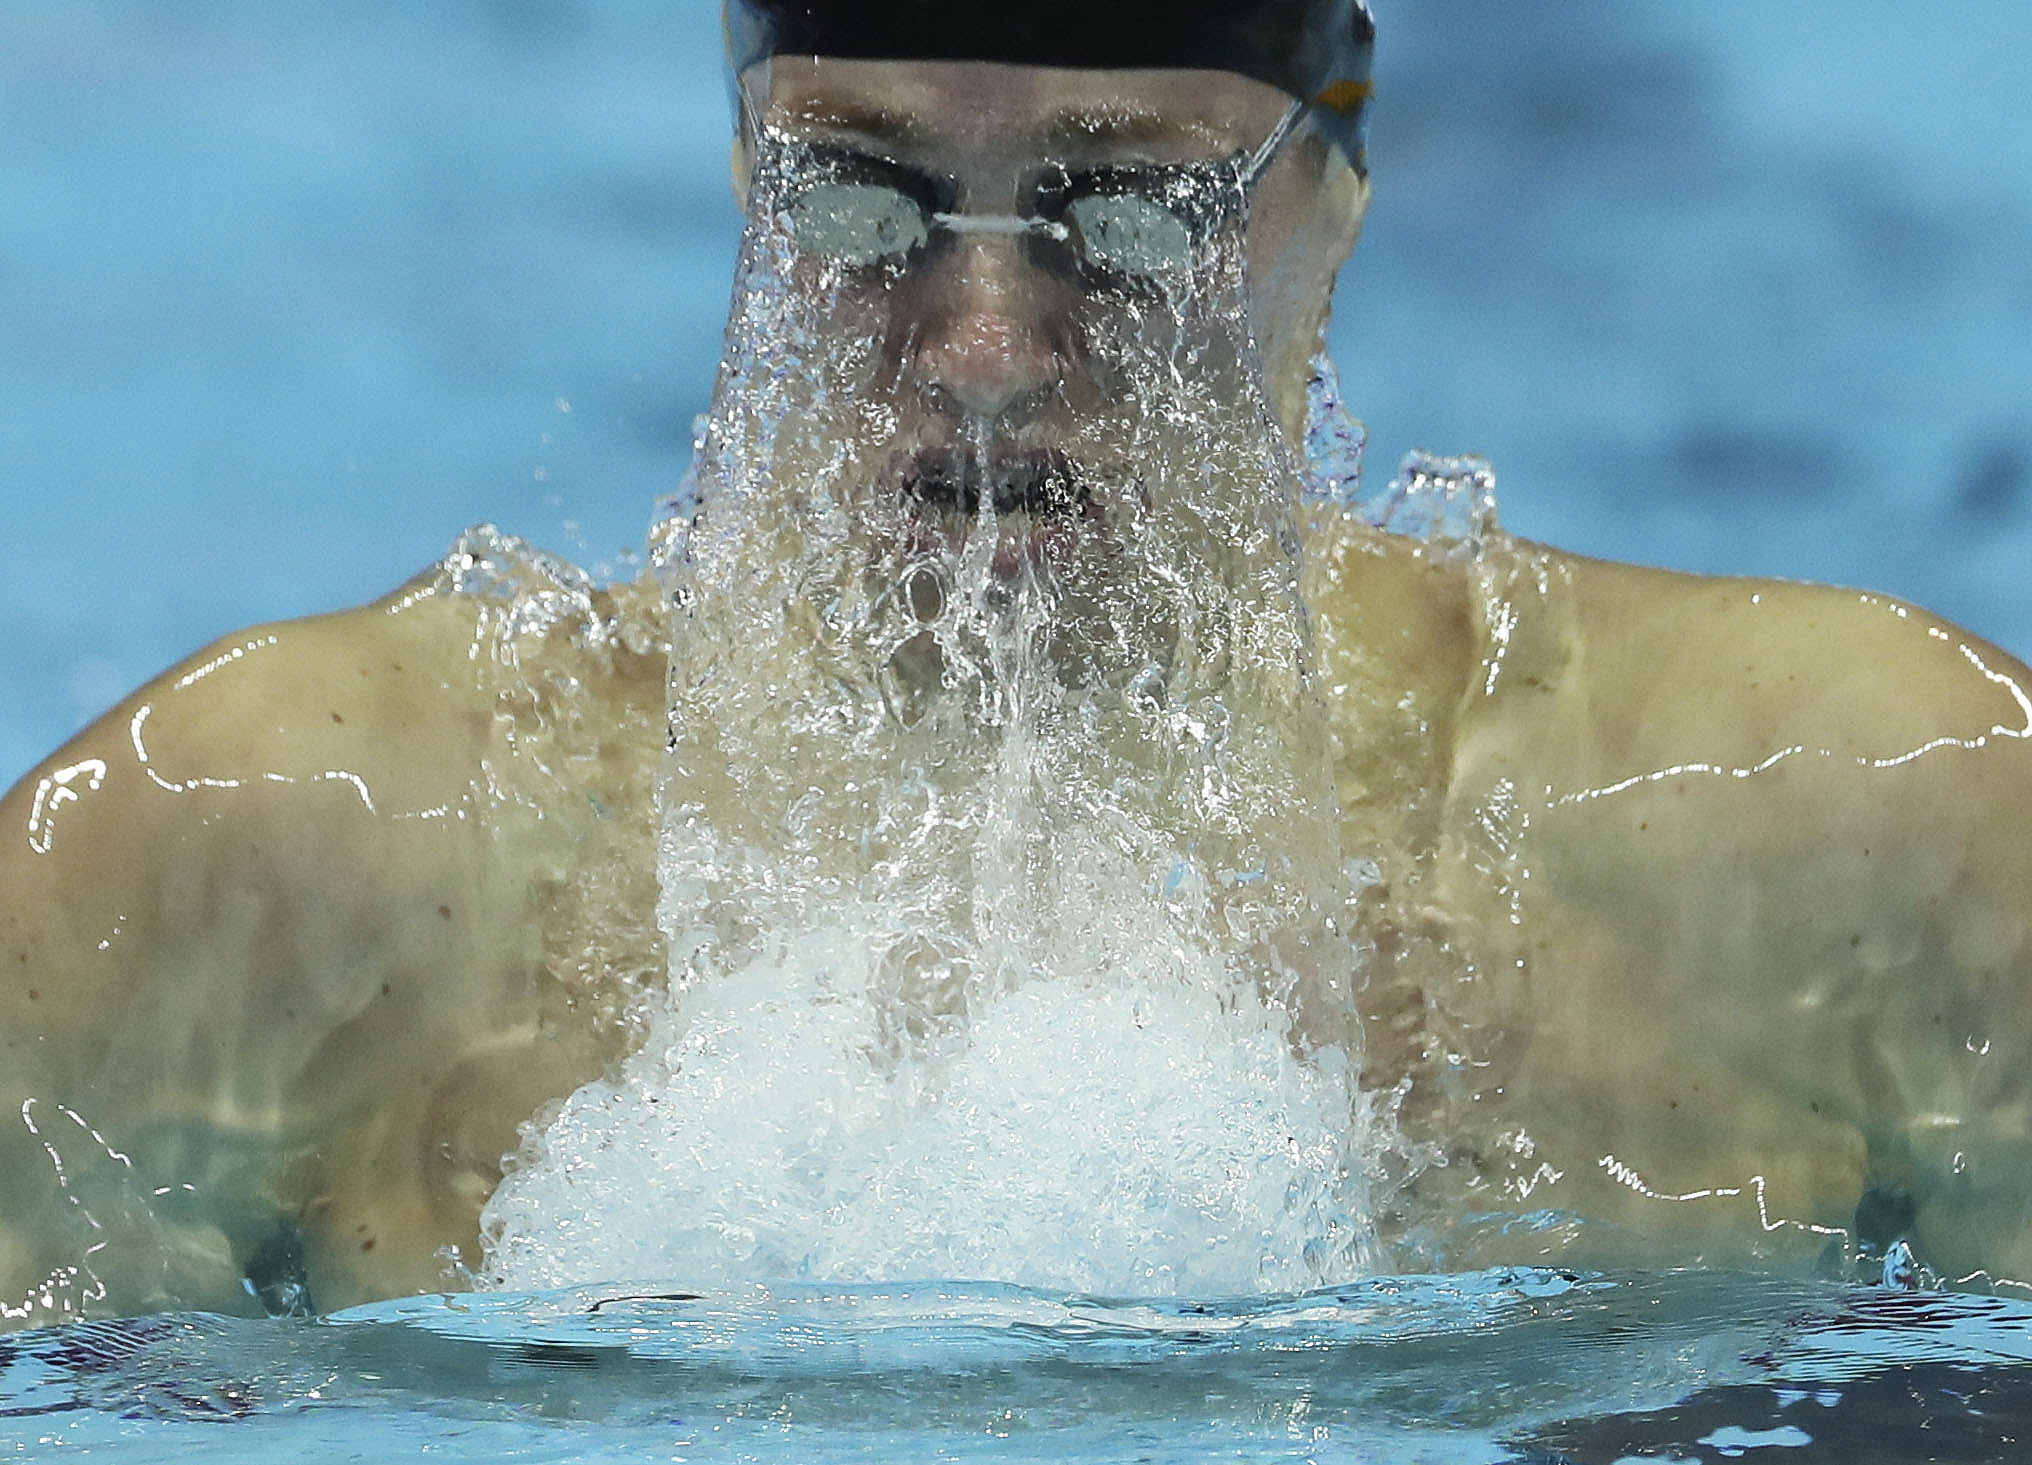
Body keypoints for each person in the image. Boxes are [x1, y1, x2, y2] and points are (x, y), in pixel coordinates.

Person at [3, 0, 2029, 1326]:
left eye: (1126, 212)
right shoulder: (251, 858)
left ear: (1327, 199)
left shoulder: (1843, 828)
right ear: (739, 178)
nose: (977, 352)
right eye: (856, 196)